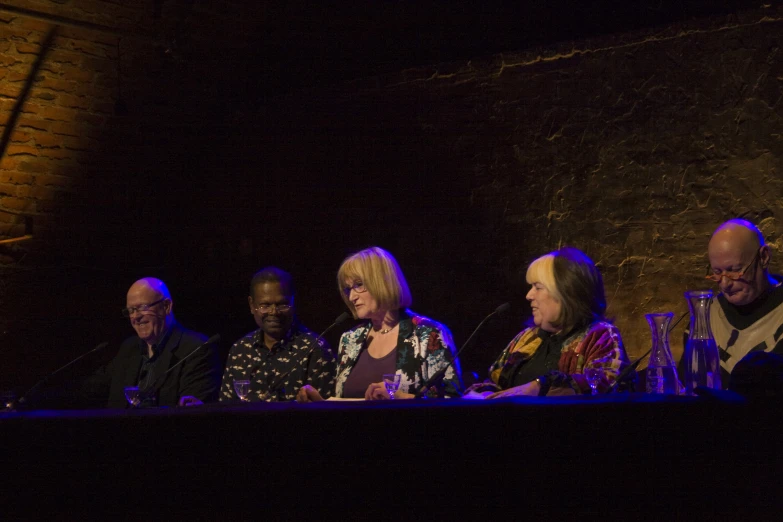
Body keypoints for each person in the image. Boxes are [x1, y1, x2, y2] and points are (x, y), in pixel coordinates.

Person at [296, 246, 462, 401]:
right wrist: (320, 403)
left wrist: (399, 398)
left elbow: (452, 401)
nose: (352, 297)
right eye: (348, 289)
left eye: (359, 285)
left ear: (383, 281)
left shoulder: (429, 334)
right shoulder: (350, 340)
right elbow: (345, 404)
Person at [474, 247, 629, 398]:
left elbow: (607, 385)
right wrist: (484, 393)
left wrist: (541, 386)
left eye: (538, 287)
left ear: (565, 293)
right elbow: (494, 381)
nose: (529, 295)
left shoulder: (600, 335)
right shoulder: (526, 338)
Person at [84, 277, 222, 408]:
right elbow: (93, 389)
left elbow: (191, 411)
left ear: (166, 306)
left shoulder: (197, 349)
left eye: (143, 307)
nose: (136, 317)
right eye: (131, 310)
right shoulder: (129, 348)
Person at [217, 267, 335, 402]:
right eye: (265, 305)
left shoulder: (315, 349)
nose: (274, 312)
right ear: (251, 305)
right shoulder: (240, 350)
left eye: (282, 304)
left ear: (293, 302)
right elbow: (225, 408)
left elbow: (326, 412)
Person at [702, 218, 783, 383]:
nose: (725, 284)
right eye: (717, 272)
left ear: (764, 257)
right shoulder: (706, 318)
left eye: (735, 270)